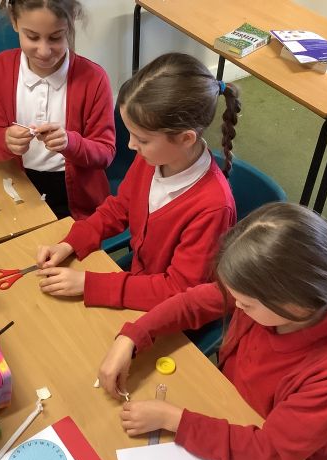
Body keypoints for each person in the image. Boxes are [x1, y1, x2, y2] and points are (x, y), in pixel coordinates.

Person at [98, 202, 327, 460]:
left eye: (246, 304)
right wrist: (132, 336)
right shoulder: (270, 298)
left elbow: (271, 451)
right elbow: (192, 303)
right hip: (228, 408)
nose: (235, 305)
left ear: (296, 305)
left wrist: (174, 419)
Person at [35, 52, 240, 311]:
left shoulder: (213, 207)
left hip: (172, 311)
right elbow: (119, 207)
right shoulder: (154, 158)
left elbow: (179, 291)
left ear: (186, 139)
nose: (131, 145)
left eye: (142, 139)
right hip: (141, 281)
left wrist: (90, 284)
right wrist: (71, 242)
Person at [0, 0, 115, 219]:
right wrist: (5, 140)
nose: (44, 51)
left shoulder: (94, 79)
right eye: (32, 37)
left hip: (76, 200)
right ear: (14, 21)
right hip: (19, 189)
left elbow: (105, 154)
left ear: (71, 24)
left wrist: (71, 143)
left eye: (56, 37)